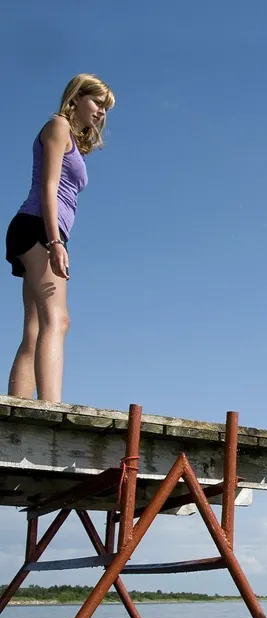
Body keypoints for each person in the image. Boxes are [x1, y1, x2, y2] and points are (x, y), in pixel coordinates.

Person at [4, 74, 114, 403]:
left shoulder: (69, 137)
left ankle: (17, 412)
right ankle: (52, 408)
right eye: (96, 102)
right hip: (39, 226)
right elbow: (48, 187)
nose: (100, 113)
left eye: (105, 109)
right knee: (58, 319)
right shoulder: (58, 125)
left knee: (35, 329)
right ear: (76, 97)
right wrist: (55, 242)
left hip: (38, 228)